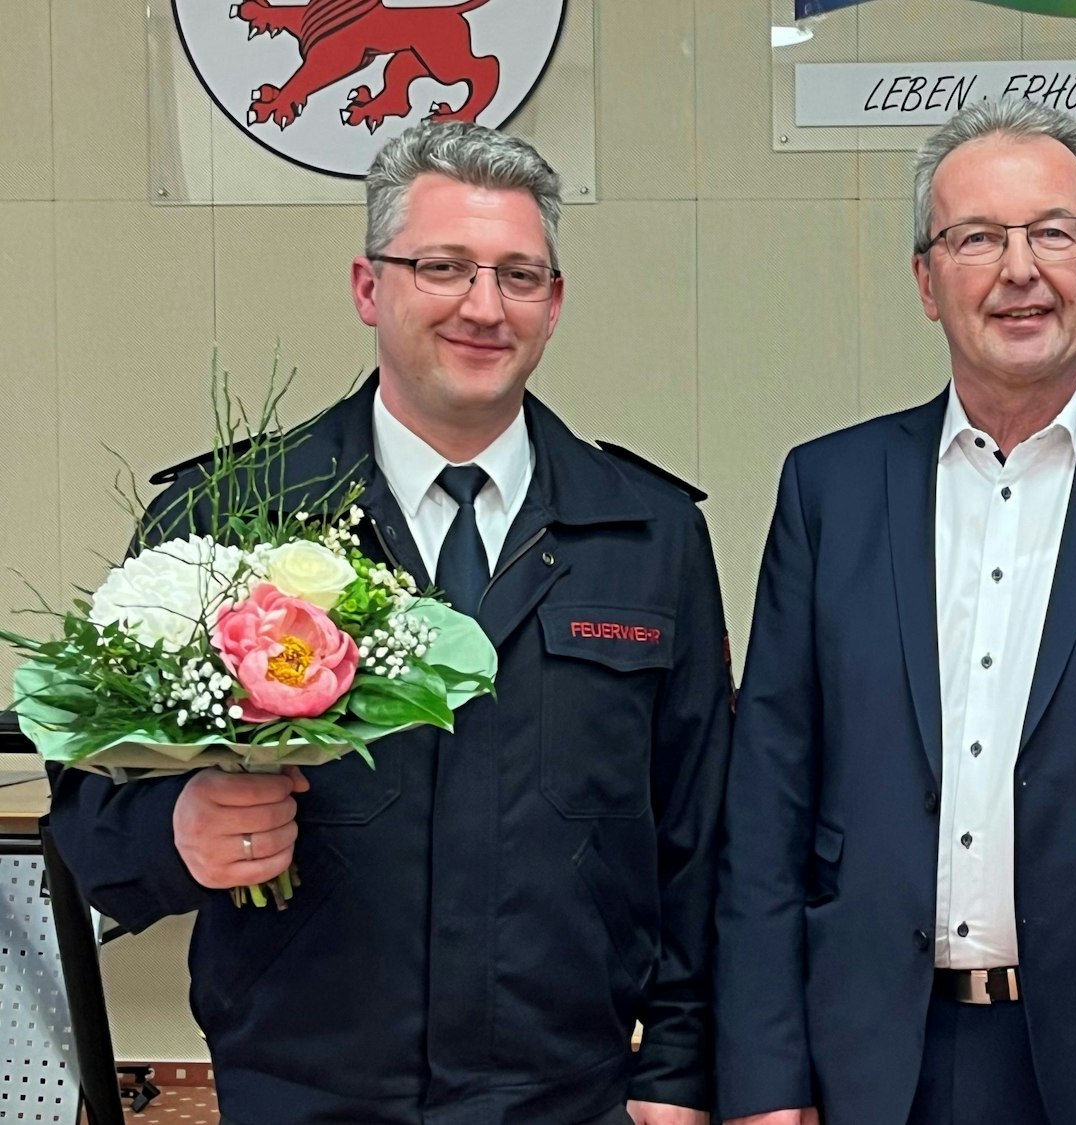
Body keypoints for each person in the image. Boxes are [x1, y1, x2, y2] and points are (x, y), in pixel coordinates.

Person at [47, 123, 731, 1125]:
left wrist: (679, 1072)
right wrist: (176, 830)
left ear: (554, 303)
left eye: (519, 275)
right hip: (301, 1093)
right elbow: (88, 815)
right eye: (443, 267)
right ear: (371, 287)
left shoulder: (647, 533)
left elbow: (702, 834)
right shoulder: (228, 520)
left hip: (568, 1098)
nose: (483, 307)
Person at [713, 98, 1076, 1125]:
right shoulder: (829, 489)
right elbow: (765, 799)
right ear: (924, 280)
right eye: (976, 238)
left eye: (1051, 233)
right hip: (866, 1060)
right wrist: (764, 1080)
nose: (1018, 269)